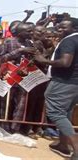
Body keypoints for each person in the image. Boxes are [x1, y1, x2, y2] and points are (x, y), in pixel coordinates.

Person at [34, 18, 78, 158]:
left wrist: (44, 61)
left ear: (75, 27)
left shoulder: (69, 41)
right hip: (74, 83)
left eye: (63, 27)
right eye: (58, 27)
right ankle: (63, 145)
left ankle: (76, 147)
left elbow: (65, 62)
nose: (59, 30)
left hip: (63, 82)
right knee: (66, 113)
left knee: (55, 113)